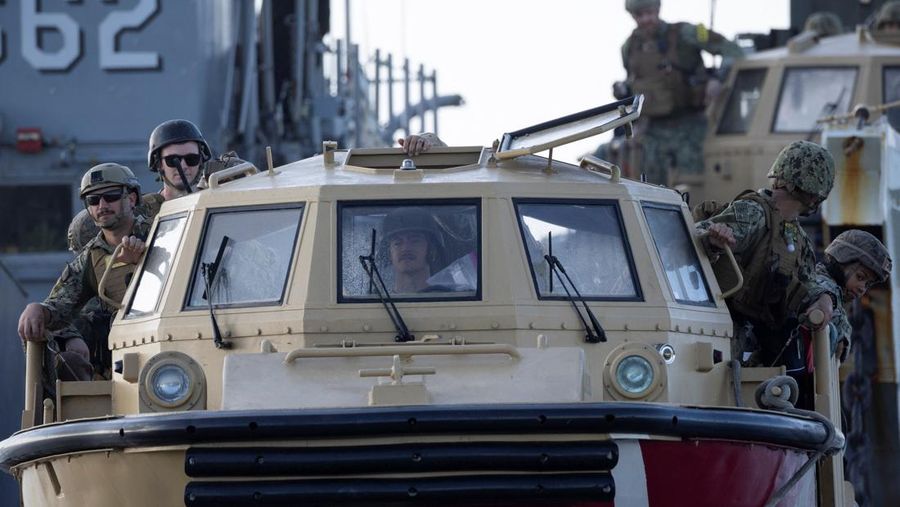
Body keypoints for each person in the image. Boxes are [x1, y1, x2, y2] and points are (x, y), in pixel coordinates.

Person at [695, 140, 836, 406]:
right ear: (815, 192)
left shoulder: (797, 238)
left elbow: (807, 282)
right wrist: (713, 240)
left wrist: (825, 298)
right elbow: (697, 236)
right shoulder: (754, 213)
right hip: (724, 329)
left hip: (759, 338)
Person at [17, 163, 149, 380]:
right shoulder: (90, 257)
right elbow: (61, 303)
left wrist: (142, 263)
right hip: (123, 360)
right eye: (93, 200)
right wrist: (38, 309)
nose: (102, 205)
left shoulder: (162, 231)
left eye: (111, 196)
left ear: (132, 199)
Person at [617, 0, 744, 185]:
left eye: (649, 13)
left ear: (658, 10)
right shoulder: (629, 47)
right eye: (639, 15)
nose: (646, 20)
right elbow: (634, 85)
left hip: (691, 128)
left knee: (695, 187)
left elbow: (732, 50)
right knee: (651, 189)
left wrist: (718, 78)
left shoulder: (685, 34)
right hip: (653, 132)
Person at [817, 230, 892, 363]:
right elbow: (823, 296)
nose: (862, 288)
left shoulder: (837, 297)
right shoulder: (822, 286)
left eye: (868, 284)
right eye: (860, 277)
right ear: (841, 262)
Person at [381, 207, 446, 293]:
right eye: (397, 243)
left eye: (415, 241)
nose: (405, 248)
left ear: (431, 250)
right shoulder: (374, 303)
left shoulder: (455, 301)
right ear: (389, 253)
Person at [147, 119, 213, 200]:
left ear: (200, 161)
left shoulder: (217, 200)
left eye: (191, 159)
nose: (183, 166)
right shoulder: (145, 211)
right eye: (172, 160)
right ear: (159, 164)